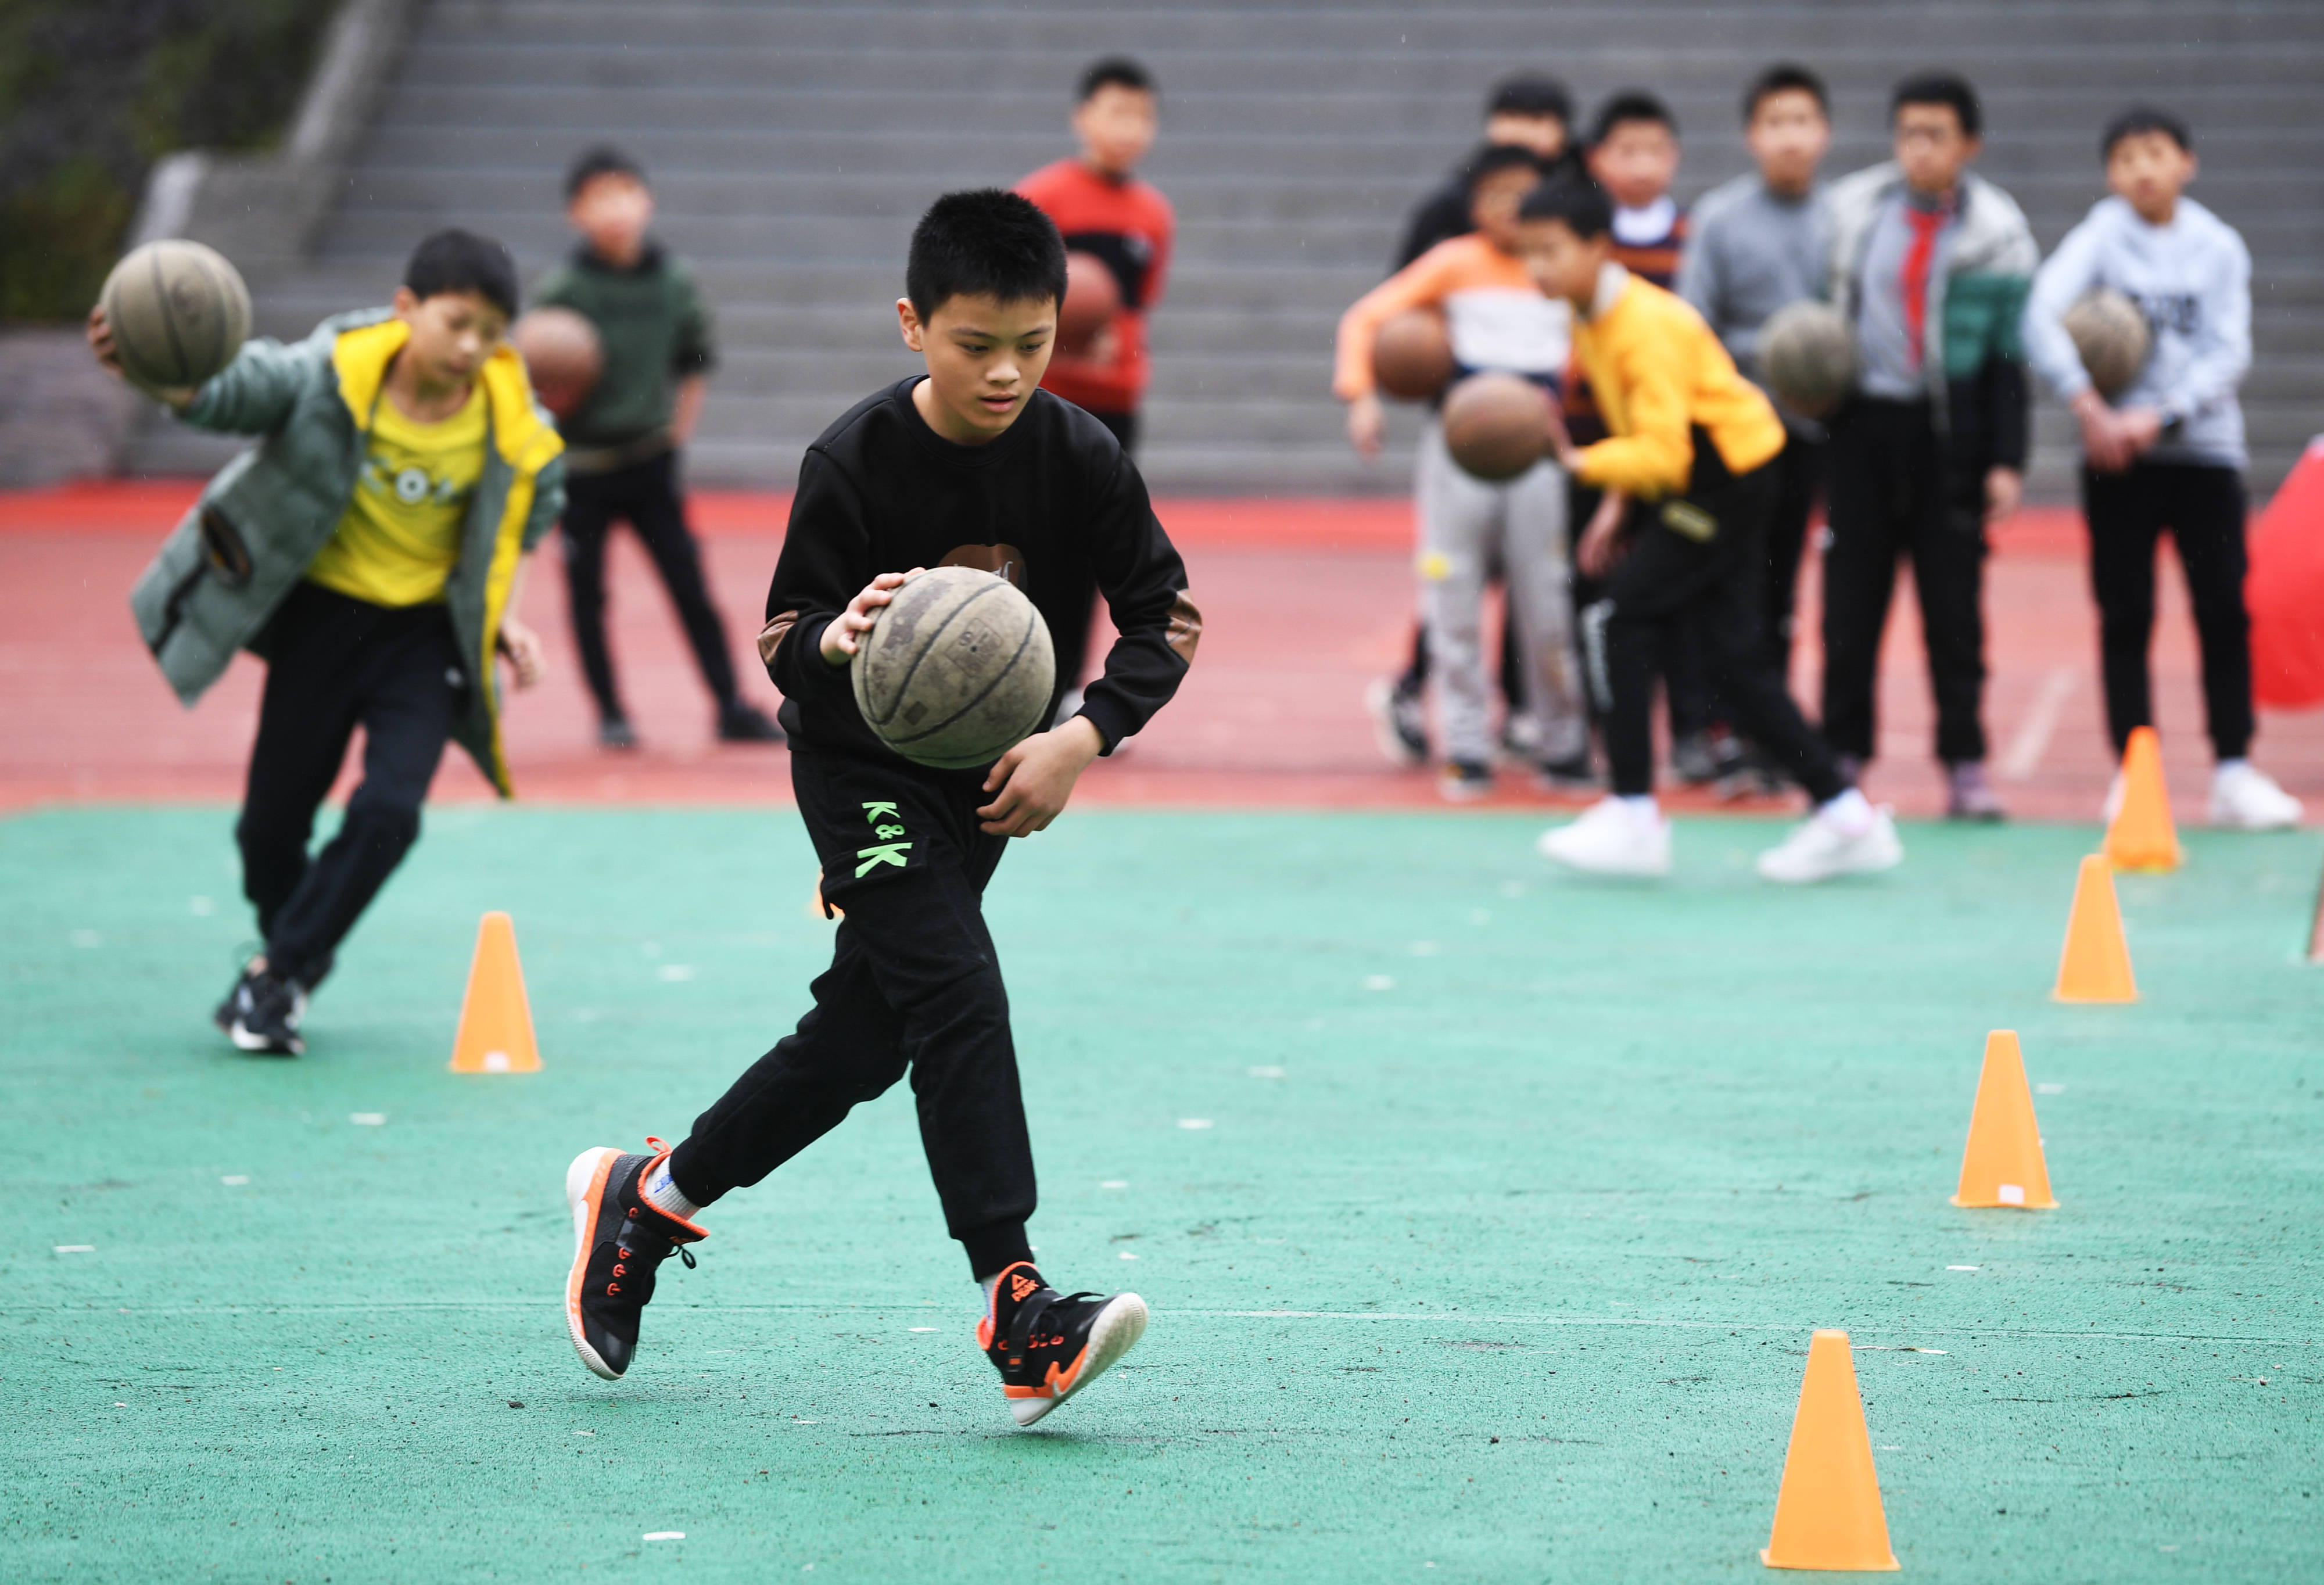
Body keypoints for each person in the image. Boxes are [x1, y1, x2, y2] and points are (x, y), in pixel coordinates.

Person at [561, 191, 1196, 1426]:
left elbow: (1162, 614)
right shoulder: (852, 459)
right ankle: (1019, 1306)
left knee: (863, 1038)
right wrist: (836, 637)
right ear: (912, 324)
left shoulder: (1078, 455)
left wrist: (1081, 734)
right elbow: (779, 632)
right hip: (859, 770)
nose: (1007, 372)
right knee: (958, 990)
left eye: (1033, 342)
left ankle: (652, 1196)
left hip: (991, 778)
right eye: (975, 345)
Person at [94, 230, 564, 1055]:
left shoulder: (513, 422)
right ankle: (288, 961)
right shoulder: (328, 375)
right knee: (267, 834)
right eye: (456, 323)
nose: (471, 348)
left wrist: (503, 620)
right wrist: (158, 368)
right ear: (406, 308)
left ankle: (276, 977)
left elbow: (532, 511)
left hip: (424, 643)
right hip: (325, 623)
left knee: (390, 810)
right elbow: (230, 390)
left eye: (492, 334)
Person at [1516, 181, 1902, 883]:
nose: (1535, 267)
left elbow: (1665, 451)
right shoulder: (1589, 312)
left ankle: (1632, 810)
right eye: (1526, 253)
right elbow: (1649, 432)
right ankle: (1847, 817)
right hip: (1722, 471)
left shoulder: (1643, 327)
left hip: (1722, 476)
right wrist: (1617, 500)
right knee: (1735, 660)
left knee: (1615, 617)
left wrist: (1579, 465)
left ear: (1596, 247)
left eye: (1550, 251)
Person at [2022, 106, 2301, 830]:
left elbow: (2227, 351)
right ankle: (2134, 770)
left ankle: (2234, 770)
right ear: (2109, 174)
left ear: (2187, 162)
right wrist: (2086, 403)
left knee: (2221, 613)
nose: (2141, 169)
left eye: (2154, 153)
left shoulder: (2217, 247)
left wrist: (2164, 413)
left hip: (2201, 454)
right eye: (2124, 158)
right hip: (2115, 456)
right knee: (2125, 615)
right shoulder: (2099, 237)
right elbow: (2040, 313)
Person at [1337, 146, 1591, 799]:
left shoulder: (1558, 269)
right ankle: (1467, 747)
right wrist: (1361, 393)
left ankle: (1562, 743)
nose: (1510, 209)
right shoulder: (1455, 262)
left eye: (1523, 193)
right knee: (1452, 598)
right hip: (1459, 449)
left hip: (1538, 453)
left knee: (1547, 601)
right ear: (1475, 206)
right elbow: (1365, 317)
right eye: (1496, 195)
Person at [1821, 73, 2036, 820]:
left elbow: (2011, 357)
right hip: (1862, 432)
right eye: (1908, 132)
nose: (1920, 147)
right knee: (1850, 610)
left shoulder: (1998, 232)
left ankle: (1965, 765)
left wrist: (2006, 460)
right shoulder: (1850, 212)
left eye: (1936, 134)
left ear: (1968, 145)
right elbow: (1820, 318)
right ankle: (1840, 762)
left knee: (1954, 618)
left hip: (1952, 441)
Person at [532, 146, 782, 751]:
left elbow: (696, 358)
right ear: (576, 214)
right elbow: (535, 375)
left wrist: (677, 432)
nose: (615, 209)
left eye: (625, 193)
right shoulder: (564, 291)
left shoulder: (673, 282)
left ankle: (729, 705)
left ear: (647, 203)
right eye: (598, 198)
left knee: (690, 586)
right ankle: (611, 713)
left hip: (649, 461)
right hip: (581, 468)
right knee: (587, 595)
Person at [1016, 57, 1176, 724]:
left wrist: (1107, 335)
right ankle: (1012, 675)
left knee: (1094, 548)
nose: (1128, 128)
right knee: (1024, 542)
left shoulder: (1152, 215)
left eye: (1141, 116)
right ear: (1083, 117)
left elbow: (1136, 304)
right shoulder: (1041, 197)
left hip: (1114, 400)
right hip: (1040, 397)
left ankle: (1070, 688)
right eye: (1116, 112)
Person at [1574, 91, 1726, 786]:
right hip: (1626, 451)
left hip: (1687, 461)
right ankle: (1613, 747)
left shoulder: (1656, 295)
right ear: (1595, 159)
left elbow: (1662, 432)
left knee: (1667, 607)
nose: (1638, 165)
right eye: (1623, 150)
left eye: (1652, 149)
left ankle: (1696, 733)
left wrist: (1610, 484)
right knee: (1610, 603)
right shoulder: (1582, 268)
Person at [1677, 63, 1834, 722]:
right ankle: (1715, 726)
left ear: (1823, 132)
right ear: (1751, 135)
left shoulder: (1844, 218)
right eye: (1775, 123)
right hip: (1735, 436)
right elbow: (1692, 327)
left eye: (1801, 122)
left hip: (1811, 435)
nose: (1789, 137)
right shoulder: (1718, 218)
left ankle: (1773, 730)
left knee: (1781, 588)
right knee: (1722, 579)